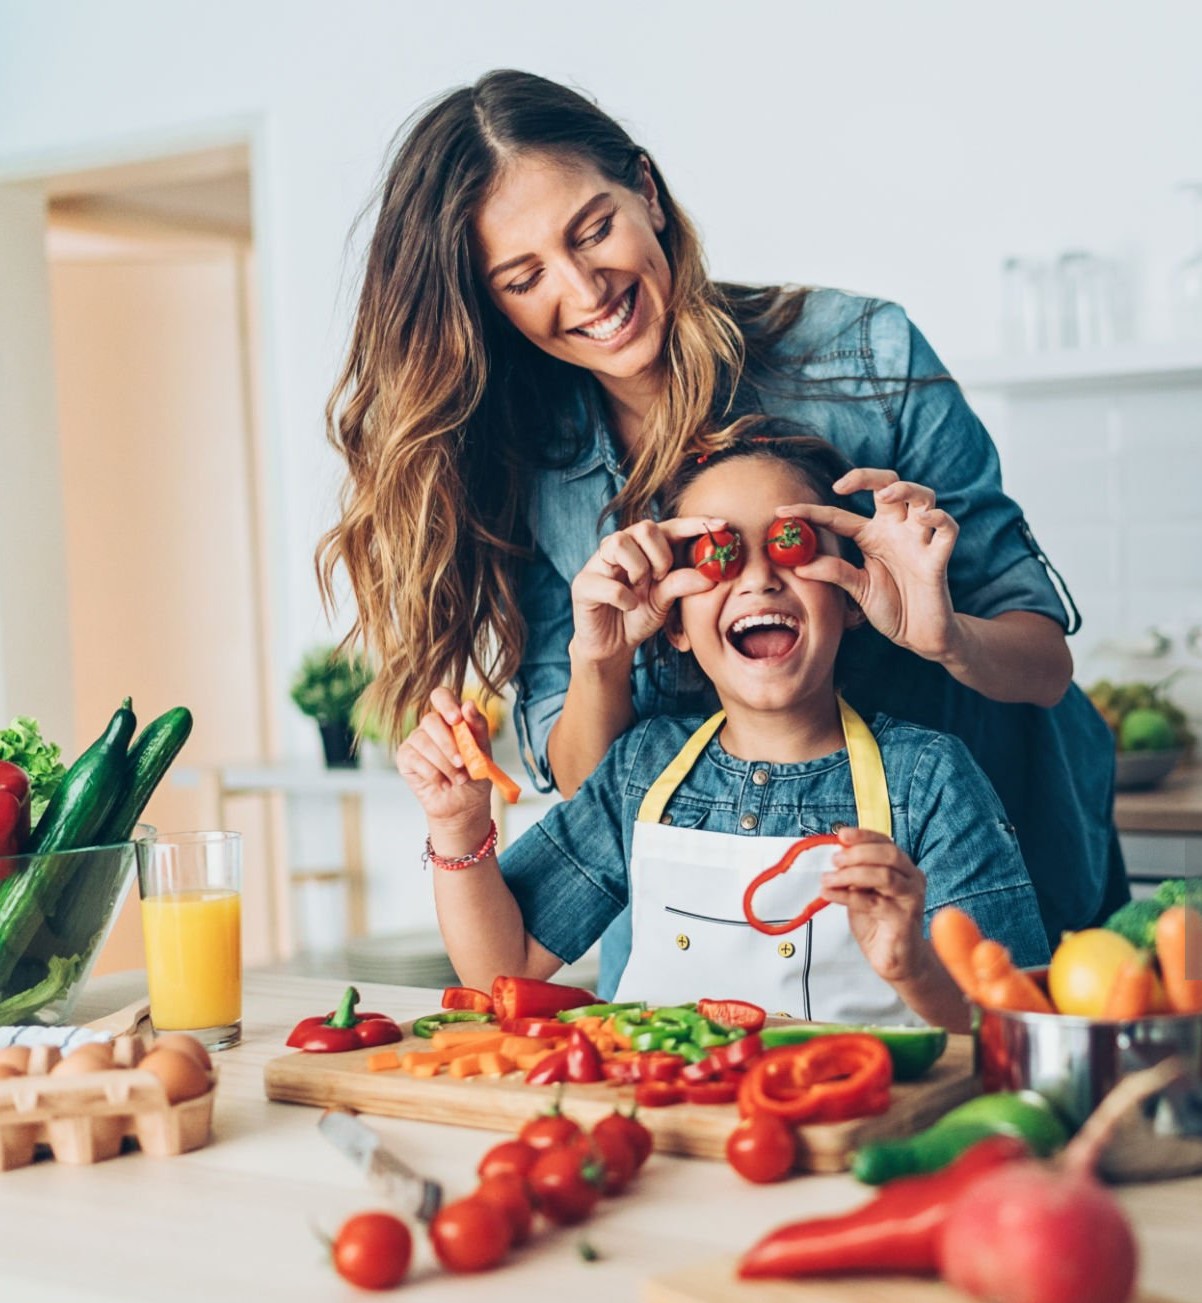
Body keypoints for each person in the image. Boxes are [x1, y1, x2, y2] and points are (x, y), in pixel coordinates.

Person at [319, 70, 1123, 992]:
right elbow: (592, 789)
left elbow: (1041, 662)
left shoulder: (865, 356)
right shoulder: (520, 459)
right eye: (524, 277)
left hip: (960, 879)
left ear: (647, 192)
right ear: (489, 301)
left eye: (593, 229)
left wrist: (945, 637)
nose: (584, 289)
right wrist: (600, 660)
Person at [396, 433, 1051, 1031]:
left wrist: (913, 969)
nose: (760, 578)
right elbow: (500, 967)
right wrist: (457, 826)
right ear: (674, 622)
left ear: (851, 596)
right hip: (660, 1115)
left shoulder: (929, 778)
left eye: (792, 544)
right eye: (719, 557)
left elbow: (1015, 1024)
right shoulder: (641, 768)